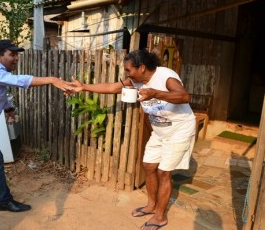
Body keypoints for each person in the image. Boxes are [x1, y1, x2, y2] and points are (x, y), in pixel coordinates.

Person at [70, 49, 196, 230]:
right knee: (149, 166)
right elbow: (112, 87)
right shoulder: (136, 81)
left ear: (142, 67)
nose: (126, 74)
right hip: (160, 131)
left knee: (164, 172)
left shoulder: (166, 76)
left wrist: (155, 93)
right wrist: (83, 87)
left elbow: (184, 96)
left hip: (179, 130)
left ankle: (160, 217)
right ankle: (152, 205)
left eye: (129, 70)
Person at [0, 39, 72, 212]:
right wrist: (52, 79)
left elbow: (0, 94)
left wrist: (9, 109)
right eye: (12, 54)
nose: (16, 58)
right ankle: (4, 201)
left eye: (17, 54)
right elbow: (19, 81)